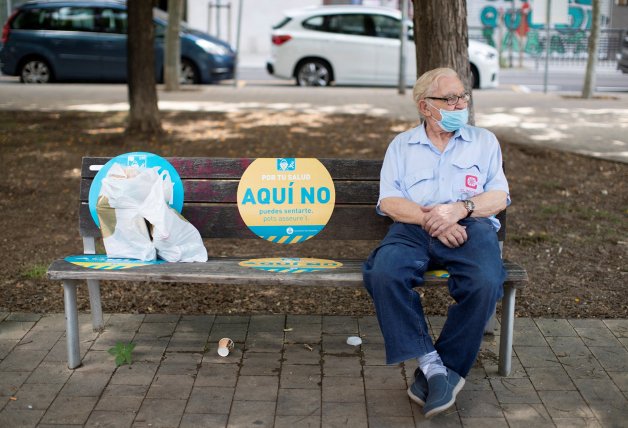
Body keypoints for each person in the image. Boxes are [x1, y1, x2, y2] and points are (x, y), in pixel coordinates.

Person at [362, 67, 510, 419]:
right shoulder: (402, 145)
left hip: (469, 228)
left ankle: (447, 366)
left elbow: (500, 195)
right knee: (384, 273)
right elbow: (389, 202)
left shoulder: (484, 141)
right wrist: (435, 219)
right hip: (413, 228)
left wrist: (459, 209)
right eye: (450, 98)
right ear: (425, 106)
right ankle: (433, 366)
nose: (461, 103)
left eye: (463, 96)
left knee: (486, 281)